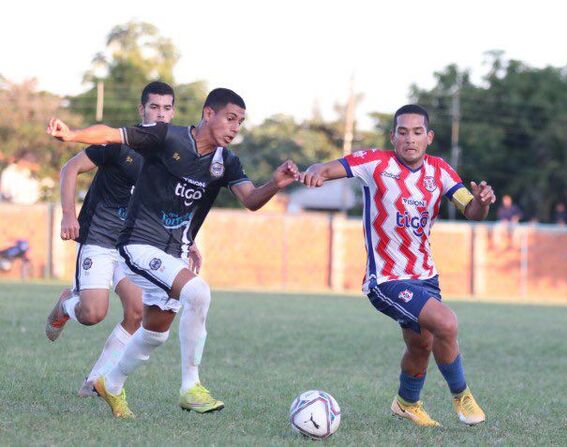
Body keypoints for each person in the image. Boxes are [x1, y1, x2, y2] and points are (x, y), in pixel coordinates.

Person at [47, 88, 299, 418]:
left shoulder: (225, 162)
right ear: (208, 114)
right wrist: (73, 135)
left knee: (154, 332)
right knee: (198, 292)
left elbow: (250, 199)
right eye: (230, 118)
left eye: (240, 122)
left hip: (173, 254)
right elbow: (110, 134)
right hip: (136, 244)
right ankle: (190, 387)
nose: (235, 127)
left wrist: (275, 184)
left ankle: (111, 382)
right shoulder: (167, 137)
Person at [300, 104, 495, 427]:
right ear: (393, 136)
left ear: (429, 137)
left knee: (422, 344)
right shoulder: (375, 163)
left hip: (426, 276)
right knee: (446, 323)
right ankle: (461, 395)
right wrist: (317, 171)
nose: (410, 139)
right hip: (386, 279)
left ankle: (406, 403)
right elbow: (329, 166)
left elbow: (471, 210)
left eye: (417, 132)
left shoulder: (440, 171)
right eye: (402, 132)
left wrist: (482, 203)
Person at [44, 81, 194, 398]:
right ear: (142, 110)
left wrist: (189, 240)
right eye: (154, 107)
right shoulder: (119, 143)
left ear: (173, 112)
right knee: (92, 314)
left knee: (138, 312)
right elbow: (70, 169)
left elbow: (170, 205)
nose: (161, 114)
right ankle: (66, 305)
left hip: (133, 244)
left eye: (167, 108)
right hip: (99, 235)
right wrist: (69, 214)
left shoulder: (174, 157)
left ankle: (95, 381)